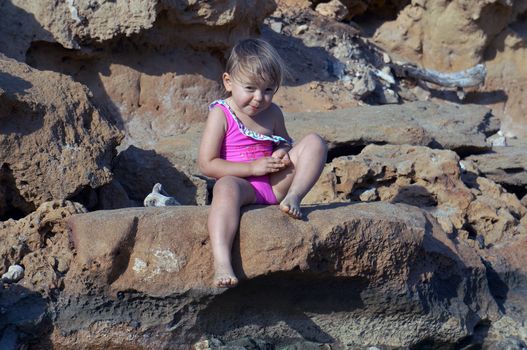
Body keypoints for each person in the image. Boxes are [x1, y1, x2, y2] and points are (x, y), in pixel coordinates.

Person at [198, 38, 327, 288]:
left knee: (315, 142)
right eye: (250, 88)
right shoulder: (221, 114)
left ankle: (294, 197)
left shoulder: (274, 113)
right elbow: (207, 164)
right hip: (240, 186)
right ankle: (222, 262)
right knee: (224, 187)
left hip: (275, 184)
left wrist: (282, 151)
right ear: (228, 82)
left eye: (268, 90)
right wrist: (252, 168)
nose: (259, 98)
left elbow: (285, 142)